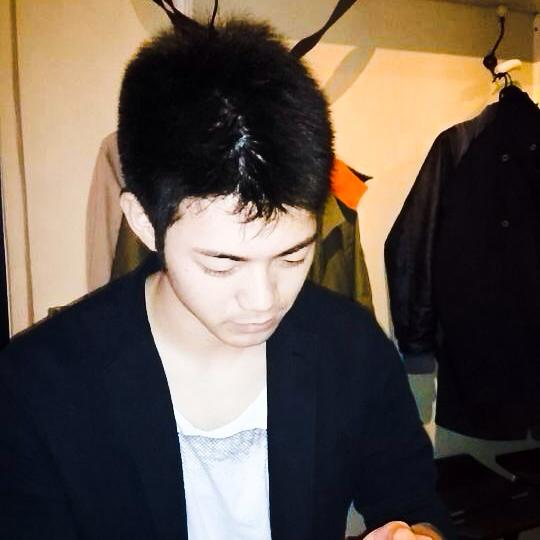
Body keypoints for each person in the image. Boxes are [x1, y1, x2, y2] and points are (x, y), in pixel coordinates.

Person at [0, 16, 455, 540]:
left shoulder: (350, 347)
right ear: (144, 222)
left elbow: (413, 501)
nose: (264, 300)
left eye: (292, 256)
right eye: (222, 263)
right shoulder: (39, 387)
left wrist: (417, 534)